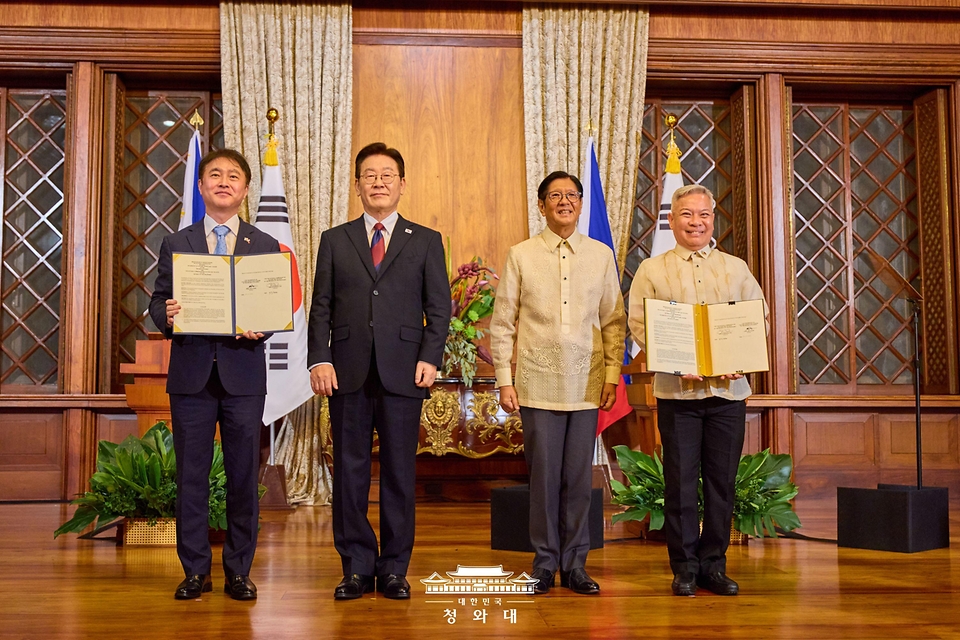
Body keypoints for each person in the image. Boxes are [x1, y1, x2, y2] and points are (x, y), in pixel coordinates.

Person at [307, 142, 449, 601]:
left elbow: (439, 309)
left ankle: (393, 569)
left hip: (405, 372)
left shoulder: (425, 240)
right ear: (357, 185)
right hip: (345, 372)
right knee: (348, 473)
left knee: (398, 474)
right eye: (370, 175)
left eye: (388, 175)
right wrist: (319, 358)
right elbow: (320, 309)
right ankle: (355, 567)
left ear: (402, 185)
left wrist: (429, 356)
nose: (379, 182)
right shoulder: (335, 239)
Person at [149, 149, 280, 601]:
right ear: (202, 188)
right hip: (192, 377)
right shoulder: (176, 242)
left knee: (243, 477)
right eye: (215, 176)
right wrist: (166, 314)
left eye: (233, 177)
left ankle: (239, 571)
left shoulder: (264, 244)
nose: (223, 183)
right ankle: (194, 571)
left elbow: (274, 307)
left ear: (245, 190)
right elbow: (157, 303)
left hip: (243, 377)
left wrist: (264, 320)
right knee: (192, 477)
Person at [628, 184, 768, 597]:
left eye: (703, 215)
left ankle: (714, 565)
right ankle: (684, 568)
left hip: (728, 395)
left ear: (713, 219)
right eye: (687, 215)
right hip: (678, 394)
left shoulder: (736, 267)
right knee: (681, 482)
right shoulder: (652, 270)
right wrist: (675, 359)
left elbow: (756, 319)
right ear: (672, 220)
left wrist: (739, 358)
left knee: (722, 483)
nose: (696, 222)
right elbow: (640, 324)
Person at [490, 171, 625, 596]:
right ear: (541, 205)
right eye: (555, 196)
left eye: (571, 195)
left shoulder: (601, 255)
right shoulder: (521, 255)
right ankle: (545, 563)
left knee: (578, 479)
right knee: (545, 477)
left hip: (586, 384)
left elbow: (613, 323)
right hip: (535, 383)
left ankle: (576, 564)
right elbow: (502, 324)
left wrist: (611, 375)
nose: (564, 202)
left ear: (581, 204)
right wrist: (504, 380)